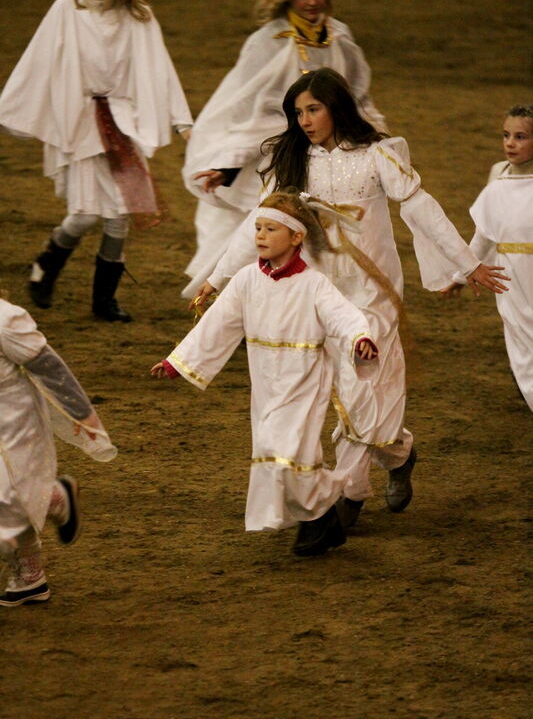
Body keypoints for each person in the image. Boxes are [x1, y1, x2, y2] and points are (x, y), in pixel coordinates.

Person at [192, 68, 509, 527]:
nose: (304, 120)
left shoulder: (378, 156)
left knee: (360, 388)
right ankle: (399, 453)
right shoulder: (292, 163)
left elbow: (421, 208)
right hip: (318, 299)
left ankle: (349, 496)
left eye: (313, 109)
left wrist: (467, 263)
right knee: (346, 395)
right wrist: (218, 277)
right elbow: (257, 224)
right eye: (298, 112)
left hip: (374, 297)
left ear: (336, 107)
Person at [152, 192, 379, 556]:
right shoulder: (245, 281)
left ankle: (318, 519)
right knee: (278, 451)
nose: (260, 235)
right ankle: (321, 520)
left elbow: (344, 316)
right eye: (258, 227)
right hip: (266, 382)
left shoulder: (314, 284)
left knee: (285, 449)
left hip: (304, 380)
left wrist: (359, 339)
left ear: (296, 237)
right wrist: (178, 362)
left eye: (270, 229)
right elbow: (218, 324)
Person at [0, 0, 192, 322]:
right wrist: (15, 109)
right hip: (81, 122)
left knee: (120, 214)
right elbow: (37, 61)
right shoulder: (65, 10)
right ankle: (46, 264)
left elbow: (159, 69)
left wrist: (183, 121)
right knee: (88, 213)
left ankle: (104, 301)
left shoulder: (138, 17)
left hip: (123, 123)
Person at [181, 0, 386, 297]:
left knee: (318, 235)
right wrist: (228, 165)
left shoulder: (340, 37)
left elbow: (357, 95)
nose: (312, 1)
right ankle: (235, 302)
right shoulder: (268, 42)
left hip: (328, 156)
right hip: (276, 157)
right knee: (265, 232)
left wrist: (376, 140)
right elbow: (246, 109)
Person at [0, 295, 116, 606]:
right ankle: (30, 577)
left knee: (7, 496)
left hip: (13, 420)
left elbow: (51, 369)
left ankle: (53, 499)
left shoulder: (4, 321)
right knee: (8, 500)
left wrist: (83, 416)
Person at [441, 104, 532, 410]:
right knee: (522, 344)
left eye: (521, 136)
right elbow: (483, 238)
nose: (510, 143)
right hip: (512, 281)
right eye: (506, 135)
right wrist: (460, 277)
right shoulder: (497, 189)